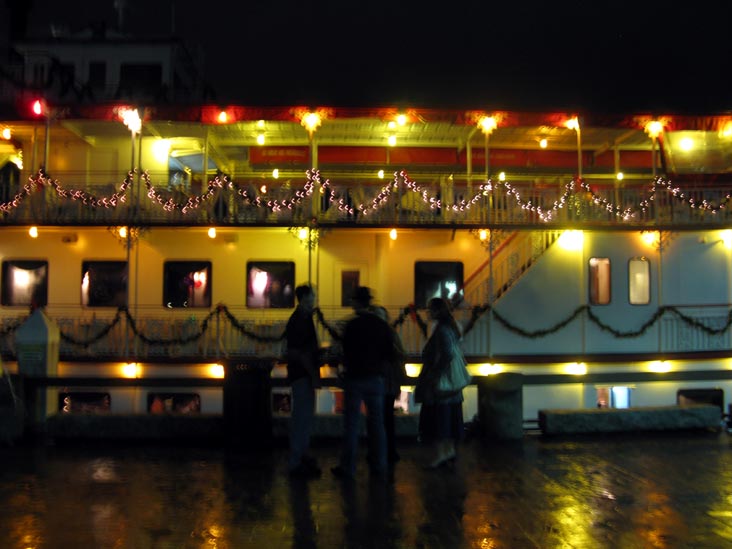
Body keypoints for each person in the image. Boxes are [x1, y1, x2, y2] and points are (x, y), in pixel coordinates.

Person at [332, 287, 398, 480]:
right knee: (377, 424)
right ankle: (380, 466)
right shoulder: (381, 325)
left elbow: (345, 352)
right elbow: (390, 354)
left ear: (357, 302)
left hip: (355, 379)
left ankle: (348, 467)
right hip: (375, 379)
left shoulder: (352, 326)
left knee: (351, 425)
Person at [414, 297, 465, 469]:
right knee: (450, 418)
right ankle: (448, 451)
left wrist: (435, 374)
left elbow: (446, 354)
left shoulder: (442, 330)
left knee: (440, 419)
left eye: (429, 309)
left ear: (436, 311)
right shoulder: (450, 328)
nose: (427, 312)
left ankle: (442, 454)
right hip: (451, 386)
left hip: (441, 385)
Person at [285, 284, 322, 478]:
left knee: (303, 417)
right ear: (305, 298)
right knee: (302, 418)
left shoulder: (301, 318)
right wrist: (314, 375)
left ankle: (300, 456)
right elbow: (299, 353)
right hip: (303, 375)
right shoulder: (301, 320)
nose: (314, 299)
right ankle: (296, 461)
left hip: (301, 374)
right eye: (313, 296)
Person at [371, 305, 407, 466]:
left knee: (384, 417)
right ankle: (385, 451)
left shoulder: (388, 334)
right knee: (383, 417)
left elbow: (400, 354)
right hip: (383, 380)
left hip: (387, 381)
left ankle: (386, 450)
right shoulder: (388, 333)